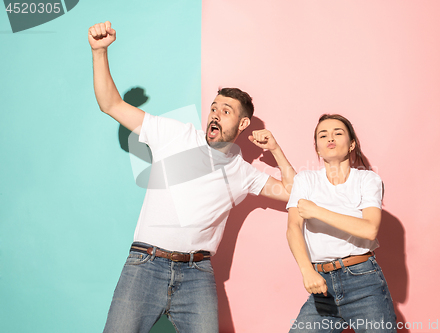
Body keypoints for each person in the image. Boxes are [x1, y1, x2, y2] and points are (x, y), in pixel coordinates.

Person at [88, 21, 296, 333]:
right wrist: (100, 52)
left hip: (196, 275)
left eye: (226, 111)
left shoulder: (242, 171)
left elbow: (291, 191)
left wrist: (277, 149)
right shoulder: (175, 135)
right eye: (214, 107)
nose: (215, 113)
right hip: (146, 264)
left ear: (243, 124)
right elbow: (111, 104)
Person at [286, 114, 396, 333]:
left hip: (363, 281)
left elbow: (369, 229)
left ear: (352, 144)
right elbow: (293, 228)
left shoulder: (367, 180)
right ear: (317, 147)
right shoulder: (305, 180)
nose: (330, 138)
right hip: (322, 284)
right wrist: (307, 271)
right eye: (323, 135)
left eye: (338, 133)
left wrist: (316, 211)